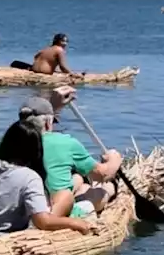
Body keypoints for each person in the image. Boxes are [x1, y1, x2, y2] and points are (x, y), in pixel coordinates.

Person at [0, 119, 95, 237]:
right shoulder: (30, 177)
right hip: (1, 243)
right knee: (68, 198)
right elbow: (43, 222)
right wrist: (75, 223)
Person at [20, 92, 122, 220]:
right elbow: (102, 175)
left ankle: (82, 189)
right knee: (104, 189)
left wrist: (55, 106)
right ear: (48, 123)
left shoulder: (10, 142)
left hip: (24, 210)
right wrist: (114, 159)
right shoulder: (65, 142)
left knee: (79, 179)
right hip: (49, 214)